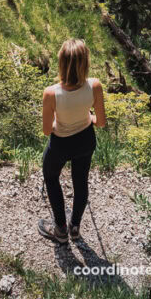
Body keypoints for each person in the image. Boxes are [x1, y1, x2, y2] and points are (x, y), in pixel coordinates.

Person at [38, 38, 107, 244]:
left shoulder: (51, 93)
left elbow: (45, 130)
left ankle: (60, 229)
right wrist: (89, 118)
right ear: (85, 62)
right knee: (80, 181)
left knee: (51, 177)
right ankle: (74, 227)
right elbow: (101, 122)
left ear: (61, 62)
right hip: (85, 140)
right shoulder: (95, 86)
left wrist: (63, 120)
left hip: (60, 142)